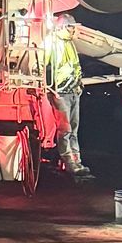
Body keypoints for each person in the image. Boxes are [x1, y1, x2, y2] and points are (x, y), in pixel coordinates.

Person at [38, 16, 89, 177]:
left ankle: (76, 161)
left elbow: (75, 66)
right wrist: (49, 88)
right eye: (70, 27)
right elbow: (41, 65)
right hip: (60, 92)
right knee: (65, 130)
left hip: (73, 92)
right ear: (62, 27)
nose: (73, 30)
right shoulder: (51, 43)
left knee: (73, 129)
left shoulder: (69, 43)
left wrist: (78, 83)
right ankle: (70, 163)